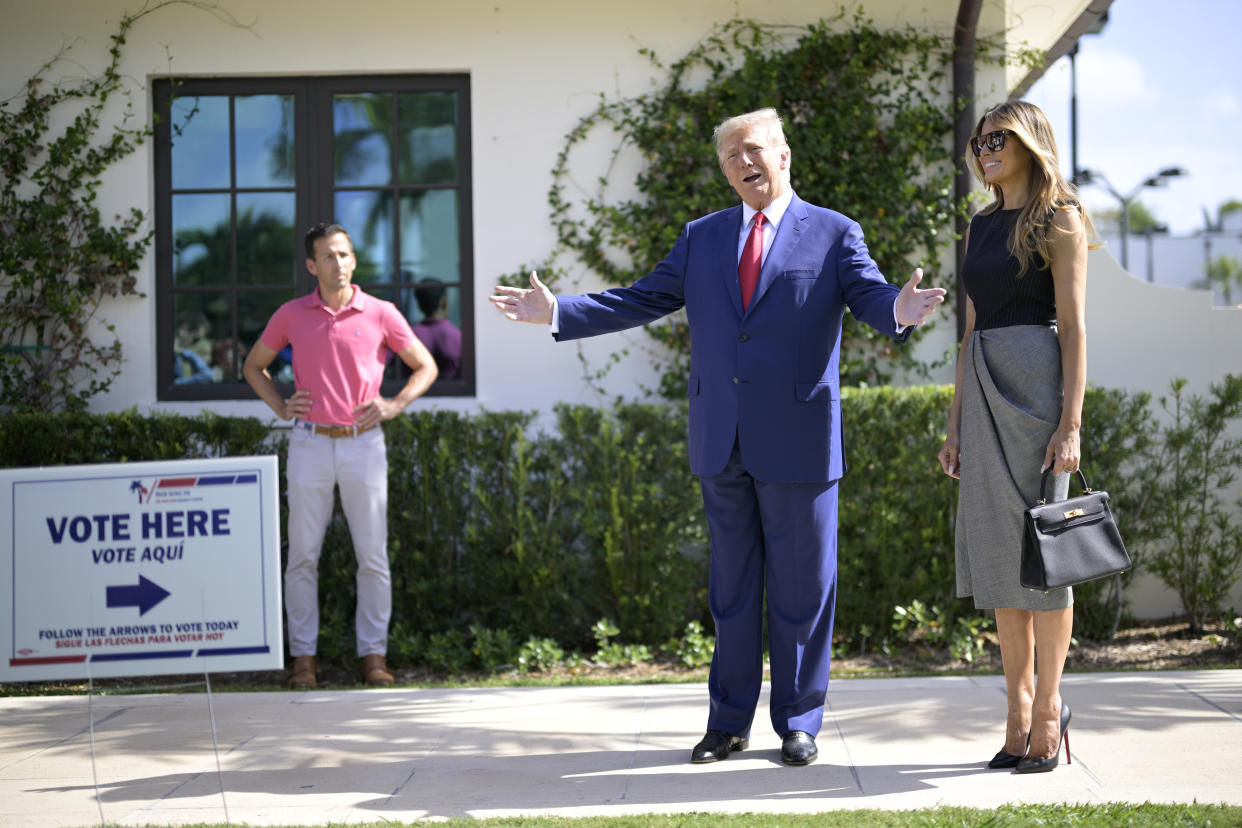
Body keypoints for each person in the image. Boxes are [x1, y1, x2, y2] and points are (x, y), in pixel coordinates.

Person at [492, 108, 945, 766]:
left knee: (801, 589)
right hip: (720, 438)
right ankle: (728, 723)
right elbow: (642, 298)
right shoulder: (701, 237)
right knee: (730, 591)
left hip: (800, 441)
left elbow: (873, 297)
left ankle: (799, 722)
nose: (742, 161)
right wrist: (560, 311)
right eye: (730, 154)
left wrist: (900, 310)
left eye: (753, 148)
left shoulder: (834, 232)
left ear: (784, 154)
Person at [936, 101, 1092, 774]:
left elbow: (1076, 328)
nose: (985, 149)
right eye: (979, 142)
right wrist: (954, 423)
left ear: (1030, 143)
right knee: (1002, 560)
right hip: (984, 386)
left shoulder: (1060, 219)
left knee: (1045, 558)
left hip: (1036, 393)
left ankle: (1050, 709)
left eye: (998, 138)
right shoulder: (977, 227)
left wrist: (1071, 424)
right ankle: (1016, 709)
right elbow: (970, 329)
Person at [243, 222, 438, 689]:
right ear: (312, 266)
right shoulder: (292, 314)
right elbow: (254, 365)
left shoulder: (381, 312)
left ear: (354, 260)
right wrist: (279, 405)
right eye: (328, 256)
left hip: (363, 445)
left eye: (344, 254)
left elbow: (424, 365)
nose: (338, 263)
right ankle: (304, 661)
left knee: (372, 556)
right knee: (303, 557)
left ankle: (373, 656)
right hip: (309, 442)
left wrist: (394, 404)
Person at [408, 275, 462, 380]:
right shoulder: (458, 337)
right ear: (444, 302)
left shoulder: (409, 336)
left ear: (419, 305)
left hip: (414, 394)